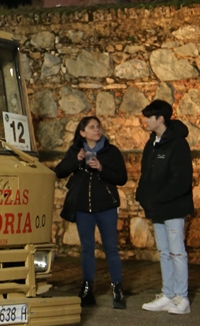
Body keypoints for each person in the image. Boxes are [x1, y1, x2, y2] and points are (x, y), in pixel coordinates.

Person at [55, 116, 128, 309]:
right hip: (83, 208)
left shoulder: (111, 152)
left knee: (111, 247)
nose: (97, 130)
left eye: (99, 127)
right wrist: (75, 161)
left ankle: (117, 290)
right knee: (87, 248)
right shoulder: (75, 151)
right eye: (92, 127)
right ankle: (87, 290)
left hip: (106, 207)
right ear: (82, 133)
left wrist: (102, 168)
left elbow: (122, 178)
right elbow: (59, 171)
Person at [136, 99, 194, 315]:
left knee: (177, 252)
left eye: (148, 117)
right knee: (164, 252)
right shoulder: (151, 143)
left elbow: (181, 180)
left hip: (173, 208)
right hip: (157, 208)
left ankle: (182, 297)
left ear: (160, 119)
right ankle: (168, 294)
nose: (145, 121)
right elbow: (146, 174)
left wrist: (159, 197)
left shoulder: (178, 144)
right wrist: (142, 196)